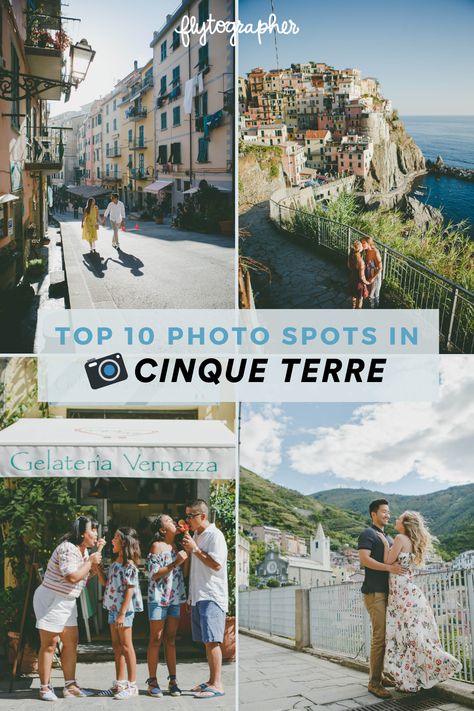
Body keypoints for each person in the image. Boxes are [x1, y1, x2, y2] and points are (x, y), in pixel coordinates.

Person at [378, 511, 461, 692]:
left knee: (404, 634)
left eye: (399, 518)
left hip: (400, 592)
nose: (396, 520)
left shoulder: (399, 538)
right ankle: (413, 676)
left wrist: (385, 543)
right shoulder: (411, 541)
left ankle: (420, 671)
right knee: (410, 634)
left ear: (406, 524)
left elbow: (387, 561)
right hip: (408, 591)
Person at [33, 515, 105, 701]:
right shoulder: (68, 548)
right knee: (50, 644)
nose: (96, 534)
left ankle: (70, 686)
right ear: (81, 533)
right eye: (93, 530)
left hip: (67, 600)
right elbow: (71, 577)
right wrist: (90, 563)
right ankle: (44, 687)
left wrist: (92, 568)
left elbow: (81, 578)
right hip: (51, 599)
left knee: (71, 641)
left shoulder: (82, 552)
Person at [357, 499, 407, 699]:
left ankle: (382, 675)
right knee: (379, 637)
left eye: (389, 512)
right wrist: (388, 568)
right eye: (384, 511)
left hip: (389, 593)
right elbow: (364, 560)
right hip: (374, 592)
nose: (387, 515)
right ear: (373, 514)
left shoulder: (389, 537)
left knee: (387, 636)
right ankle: (374, 682)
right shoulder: (368, 533)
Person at [182, 499, 227, 699]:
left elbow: (216, 565)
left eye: (191, 515)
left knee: (213, 640)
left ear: (203, 516)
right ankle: (210, 681)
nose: (188, 519)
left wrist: (195, 549)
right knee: (206, 641)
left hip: (212, 595)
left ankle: (217, 684)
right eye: (187, 515)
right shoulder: (195, 535)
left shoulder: (215, 535)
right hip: (199, 595)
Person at [96, 528, 143, 699]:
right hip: (113, 609)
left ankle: (132, 685)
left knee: (126, 646)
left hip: (123, 611)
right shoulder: (115, 562)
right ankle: (120, 683)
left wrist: (122, 614)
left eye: (115, 537)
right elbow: (106, 583)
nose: (112, 540)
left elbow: (130, 590)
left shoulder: (129, 565)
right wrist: (98, 569)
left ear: (123, 542)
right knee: (117, 647)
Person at [146, 514, 189, 697]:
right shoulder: (157, 546)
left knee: (170, 639)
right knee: (156, 638)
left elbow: (183, 574)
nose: (174, 522)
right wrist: (176, 562)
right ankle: (152, 680)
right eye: (169, 521)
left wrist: (186, 556)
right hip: (158, 597)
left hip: (174, 597)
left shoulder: (177, 547)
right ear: (163, 529)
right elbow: (154, 574)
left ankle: (173, 680)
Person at [361, 237, 383, 308]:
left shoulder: (375, 252)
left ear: (369, 243)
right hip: (368, 274)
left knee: (373, 295)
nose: (362, 245)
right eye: (361, 243)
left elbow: (380, 268)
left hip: (375, 277)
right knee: (369, 293)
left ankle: (375, 308)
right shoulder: (366, 251)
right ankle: (371, 307)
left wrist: (373, 278)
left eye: (363, 243)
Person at [347, 240, 369, 309]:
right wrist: (367, 282)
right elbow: (362, 277)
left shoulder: (351, 255)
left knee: (353, 296)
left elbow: (349, 266)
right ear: (360, 248)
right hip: (359, 283)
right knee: (360, 300)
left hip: (352, 278)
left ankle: (353, 308)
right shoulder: (360, 261)